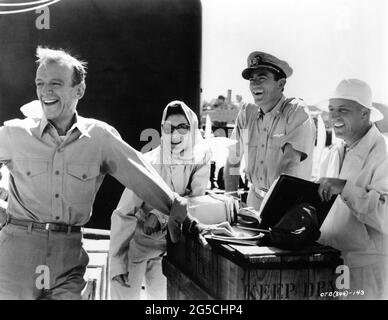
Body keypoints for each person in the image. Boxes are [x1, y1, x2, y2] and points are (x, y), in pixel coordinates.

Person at [0, 46, 231, 300]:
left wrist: (183, 216)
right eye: (40, 83)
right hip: (16, 256)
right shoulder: (14, 134)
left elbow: (142, 177)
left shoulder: (100, 138)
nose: (46, 91)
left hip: (68, 259)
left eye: (56, 83)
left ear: (80, 89)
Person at [109, 100, 212, 300]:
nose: (175, 133)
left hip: (167, 249)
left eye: (183, 127)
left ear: (192, 128)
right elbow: (124, 213)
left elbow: (195, 200)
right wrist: (117, 262)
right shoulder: (148, 162)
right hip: (134, 246)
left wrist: (159, 215)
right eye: (169, 127)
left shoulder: (200, 158)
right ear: (162, 129)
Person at [316, 79, 388, 300]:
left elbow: (384, 215)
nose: (334, 116)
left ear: (365, 114)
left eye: (343, 110)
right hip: (330, 262)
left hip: (365, 268)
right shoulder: (334, 151)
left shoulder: (383, 154)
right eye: (331, 109)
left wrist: (345, 188)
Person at [224, 51, 316, 210]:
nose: (254, 84)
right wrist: (231, 199)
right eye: (252, 79)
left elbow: (289, 166)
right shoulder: (247, 114)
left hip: (286, 204)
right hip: (254, 200)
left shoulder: (295, 112)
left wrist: (271, 209)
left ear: (280, 84)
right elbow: (234, 158)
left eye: (262, 77)